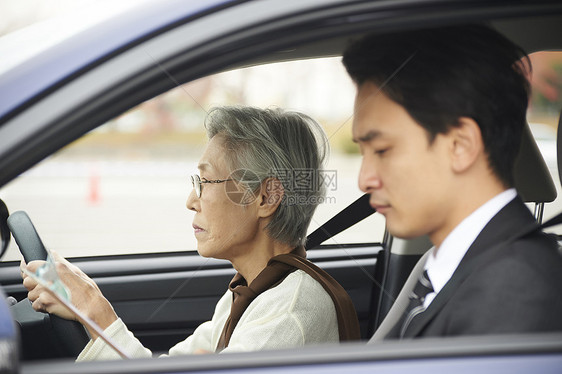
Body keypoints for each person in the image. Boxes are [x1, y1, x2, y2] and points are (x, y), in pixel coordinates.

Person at [21, 106, 360, 360]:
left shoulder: (288, 316)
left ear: (266, 197)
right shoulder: (251, 291)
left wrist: (96, 312)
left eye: (206, 181)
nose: (191, 202)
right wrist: (89, 310)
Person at [342, 25, 562, 339]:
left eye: (382, 150)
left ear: (460, 146)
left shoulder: (515, 290)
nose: (365, 179)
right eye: (363, 153)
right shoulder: (455, 264)